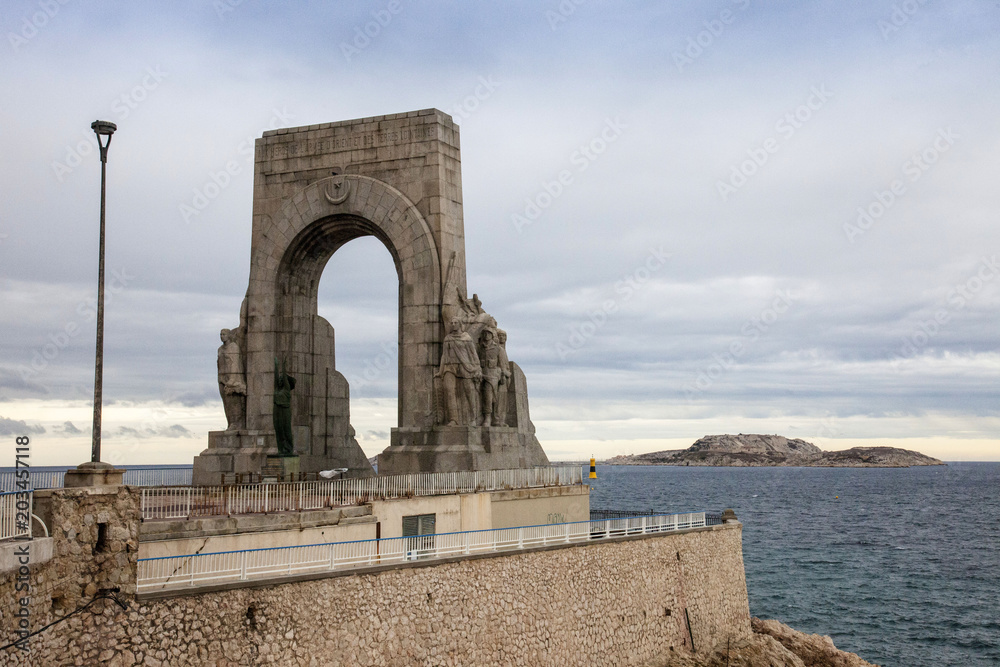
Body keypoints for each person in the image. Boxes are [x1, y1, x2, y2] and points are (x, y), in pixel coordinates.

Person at [437, 317, 481, 426]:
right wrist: (440, 370)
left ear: (460, 324)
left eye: (455, 322)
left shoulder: (466, 338)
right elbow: (444, 355)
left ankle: (473, 418)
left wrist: (477, 368)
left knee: (469, 392)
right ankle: (454, 419)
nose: (453, 324)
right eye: (451, 322)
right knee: (449, 391)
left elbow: (473, 354)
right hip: (449, 366)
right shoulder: (448, 338)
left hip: (465, 366)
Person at [217, 328, 246, 431]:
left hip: (233, 379)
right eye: (220, 334)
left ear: (229, 335)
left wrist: (232, 380)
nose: (222, 336)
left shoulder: (234, 347)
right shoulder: (220, 349)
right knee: (226, 403)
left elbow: (235, 364)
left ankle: (237, 423)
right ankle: (230, 423)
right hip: (222, 378)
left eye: (224, 334)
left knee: (234, 402)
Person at [273, 357, 296, 456]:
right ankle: (281, 449)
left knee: (286, 429)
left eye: (282, 379)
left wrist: (283, 366)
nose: (281, 380)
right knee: (278, 429)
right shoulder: (277, 389)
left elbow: (285, 379)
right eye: (281, 379)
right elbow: (276, 378)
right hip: (277, 409)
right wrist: (276, 366)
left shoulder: (286, 389)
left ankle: (289, 448)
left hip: (285, 410)